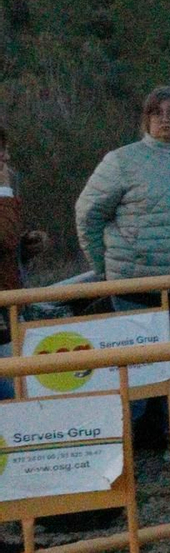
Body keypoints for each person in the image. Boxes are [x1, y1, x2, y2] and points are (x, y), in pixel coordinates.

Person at [75, 85, 170, 464]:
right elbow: (89, 214)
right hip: (137, 283)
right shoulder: (121, 161)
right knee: (135, 368)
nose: (164, 118)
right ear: (146, 118)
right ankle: (120, 448)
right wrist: (106, 268)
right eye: (155, 112)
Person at [0, 126, 51, 401]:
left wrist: (26, 247)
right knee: (12, 393)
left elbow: (7, 244)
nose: (4, 159)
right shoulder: (5, 186)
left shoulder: (9, 183)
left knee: (19, 389)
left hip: (10, 304)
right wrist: (5, 192)